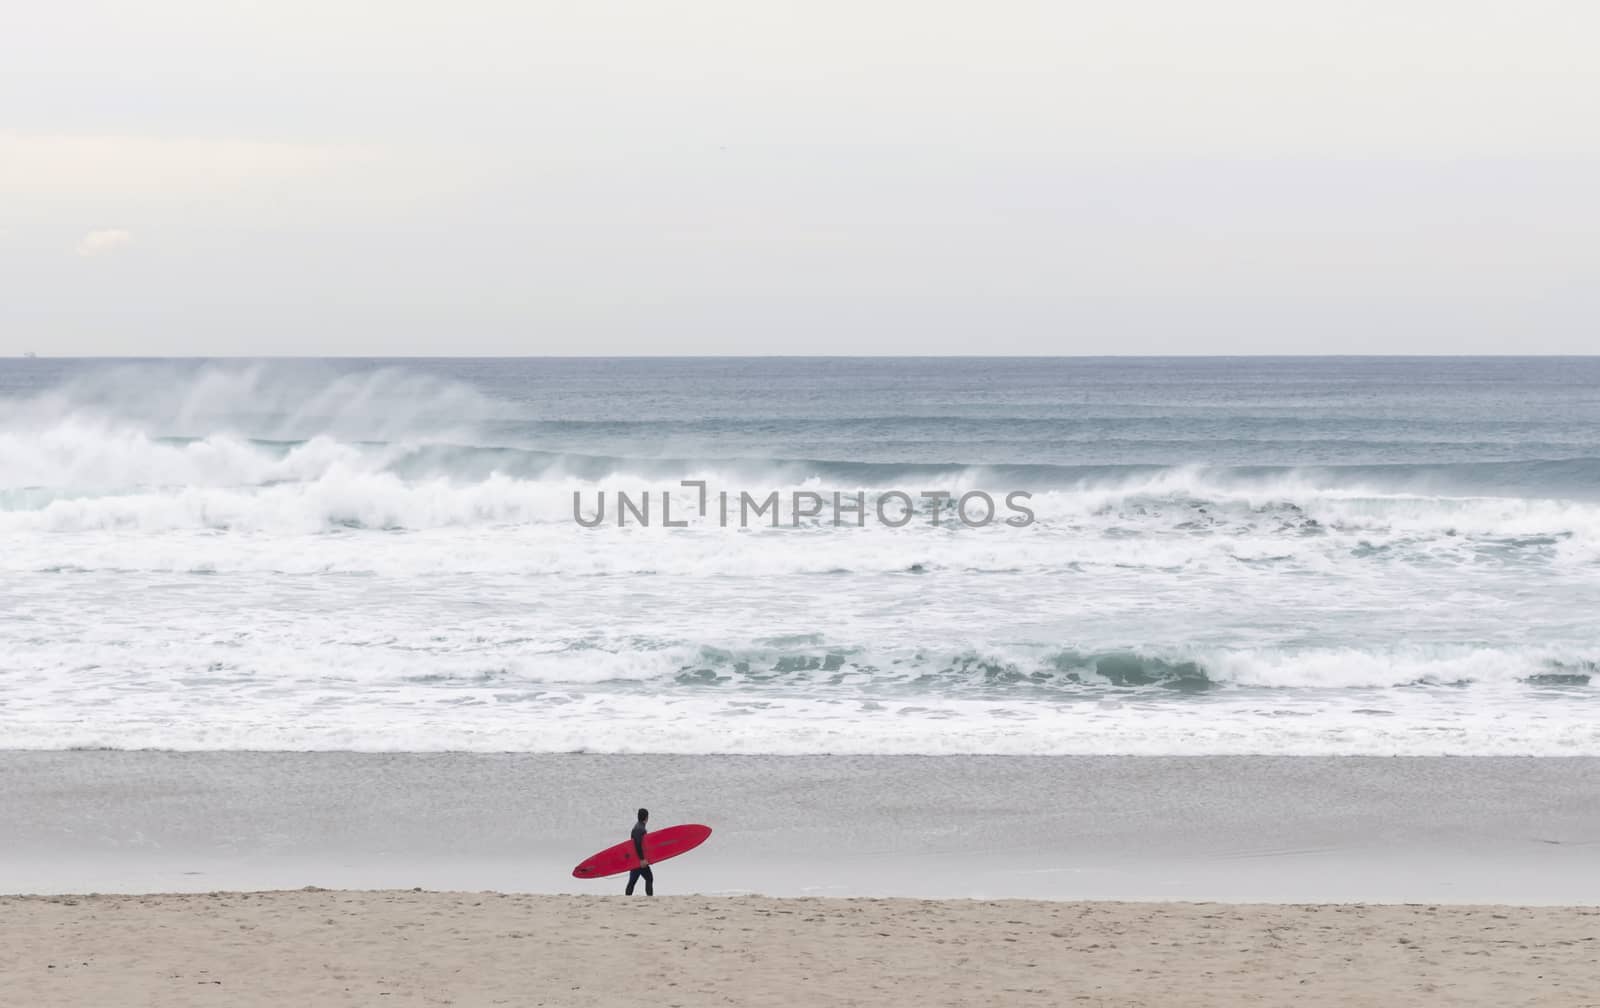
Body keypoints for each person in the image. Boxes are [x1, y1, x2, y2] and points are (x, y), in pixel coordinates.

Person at [625, 808, 653, 896]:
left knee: (632, 881)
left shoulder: (638, 826)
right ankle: (650, 898)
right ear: (646, 817)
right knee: (649, 878)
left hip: (636, 858)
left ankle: (627, 898)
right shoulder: (640, 829)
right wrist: (642, 859)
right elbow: (637, 844)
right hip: (639, 859)